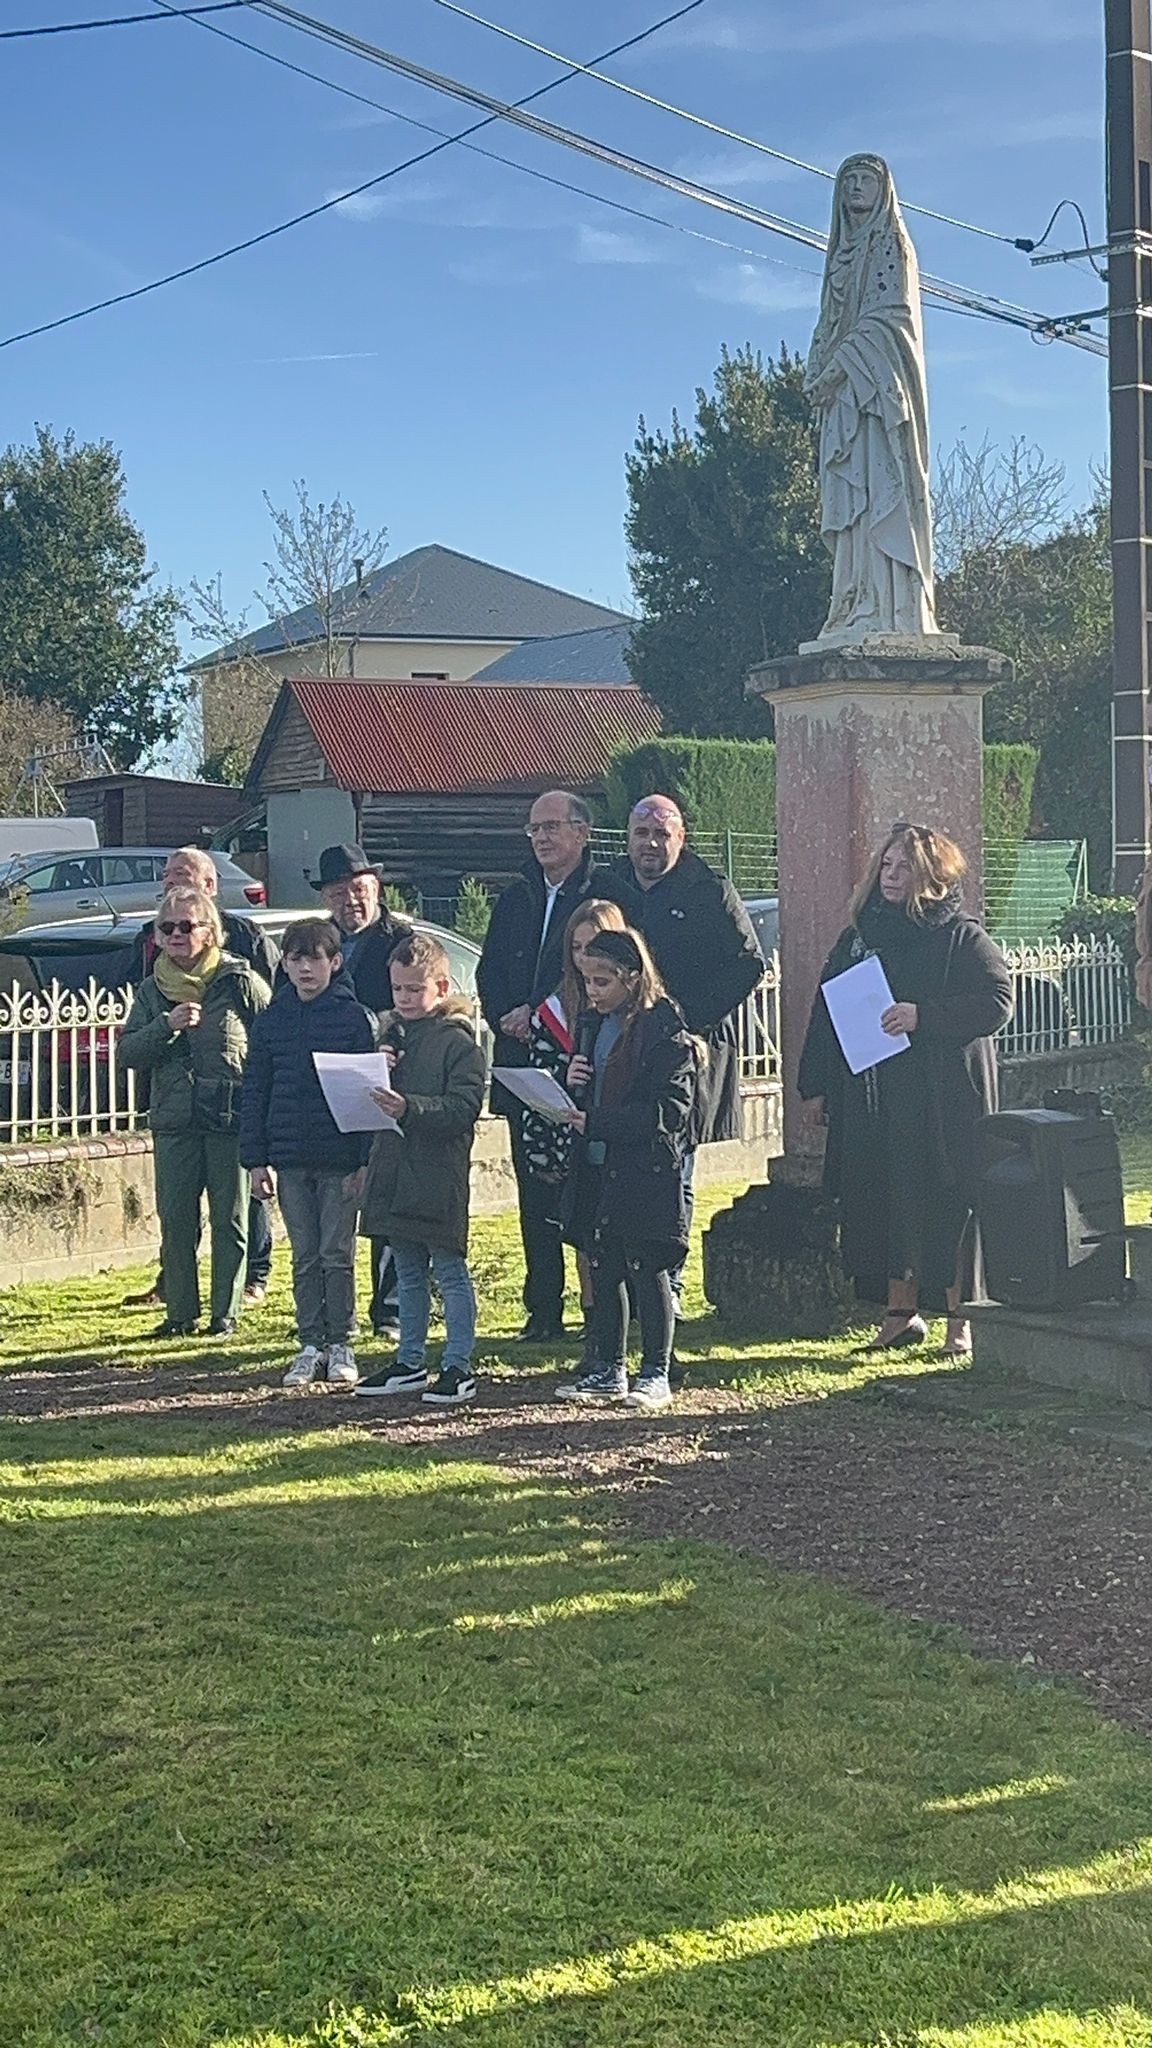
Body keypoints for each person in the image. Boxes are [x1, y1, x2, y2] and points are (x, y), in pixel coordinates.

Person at [798, 822, 1013, 1356]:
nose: (891, 878)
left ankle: (960, 1320)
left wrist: (924, 1016)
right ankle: (899, 1314)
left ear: (933, 879)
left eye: (905, 869)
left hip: (943, 1099)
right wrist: (817, 1086)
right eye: (886, 867)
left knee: (948, 1202)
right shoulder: (859, 937)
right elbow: (826, 1011)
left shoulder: (961, 936)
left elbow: (997, 1001)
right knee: (885, 1199)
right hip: (876, 1098)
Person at [477, 790, 627, 1341]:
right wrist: (503, 1016)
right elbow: (489, 969)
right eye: (533, 829)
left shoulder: (606, 895)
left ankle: (600, 1306)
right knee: (533, 1192)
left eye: (552, 827)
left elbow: (607, 971)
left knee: (584, 1192)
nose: (541, 838)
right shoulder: (515, 897)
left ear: (582, 833)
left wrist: (540, 1010)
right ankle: (543, 1307)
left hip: (579, 1061)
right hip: (523, 1065)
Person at [604, 795, 764, 1293]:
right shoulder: (610, 887)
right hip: (619, 1043)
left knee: (675, 1166)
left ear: (681, 838)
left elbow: (748, 964)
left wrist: (685, 1018)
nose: (650, 844)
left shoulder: (710, 891)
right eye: (641, 834)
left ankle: (666, 1283)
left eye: (661, 835)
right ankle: (621, 1281)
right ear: (628, 837)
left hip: (685, 1050)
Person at [123, 844, 280, 1310]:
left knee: (231, 1220)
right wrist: (164, 1027)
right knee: (175, 1220)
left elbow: (270, 1036)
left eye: (185, 927)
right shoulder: (152, 989)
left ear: (209, 932)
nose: (175, 935)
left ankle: (224, 1311)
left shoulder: (238, 979)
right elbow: (128, 1051)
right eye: (166, 928)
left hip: (229, 1112)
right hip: (174, 1117)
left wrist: (264, 1099)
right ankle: (179, 1311)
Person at [553, 927, 697, 1415]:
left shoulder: (664, 1031)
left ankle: (655, 1369)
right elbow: (588, 1093)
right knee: (604, 1263)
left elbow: (668, 1113)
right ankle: (607, 1366)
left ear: (632, 978)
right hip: (597, 1163)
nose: (592, 992)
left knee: (646, 1266)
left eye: (601, 981)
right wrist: (570, 1084)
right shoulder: (593, 1026)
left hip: (645, 1169)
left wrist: (598, 1120)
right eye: (587, 981)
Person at [805, 153, 938, 640]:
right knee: (849, 502)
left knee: (881, 488)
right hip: (843, 399)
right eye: (849, 180)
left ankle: (888, 604)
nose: (857, 187)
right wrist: (816, 365)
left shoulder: (891, 245)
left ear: (884, 190)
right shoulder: (840, 254)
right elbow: (830, 323)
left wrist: (839, 367)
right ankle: (854, 599)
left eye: (867, 179)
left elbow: (890, 319)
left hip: (877, 393)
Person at [239, 917, 375, 1390]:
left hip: (339, 1155)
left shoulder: (354, 1018)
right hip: (291, 1156)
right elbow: (255, 1090)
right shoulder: (273, 1020)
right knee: (303, 1255)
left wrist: (364, 1158)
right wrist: (255, 1160)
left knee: (336, 1252)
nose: (305, 968)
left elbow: (367, 1093)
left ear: (334, 962)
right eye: (295, 958)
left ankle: (342, 1341)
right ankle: (310, 1342)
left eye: (315, 958)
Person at [354, 932, 487, 1408]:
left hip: (436, 1172)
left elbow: (464, 1107)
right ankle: (409, 1360)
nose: (405, 999)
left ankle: (458, 1363)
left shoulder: (459, 1044)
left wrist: (408, 1106)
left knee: (449, 1272)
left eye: (415, 989)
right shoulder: (392, 1038)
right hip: (394, 1169)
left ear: (441, 986)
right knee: (406, 1272)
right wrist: (379, 1071)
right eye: (397, 990)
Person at [519, 898, 628, 1367]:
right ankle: (587, 1320)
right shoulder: (554, 1010)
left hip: (614, 1137)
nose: (585, 957)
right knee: (576, 1230)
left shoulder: (633, 1012)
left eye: (595, 946)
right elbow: (540, 1066)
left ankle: (615, 1327)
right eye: (577, 947)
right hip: (565, 1134)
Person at [313, 842, 413, 1336]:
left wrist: (390, 1040)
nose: (350, 900)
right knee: (335, 1200)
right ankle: (335, 1310)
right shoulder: (318, 942)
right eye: (338, 892)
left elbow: (417, 1003)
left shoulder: (400, 939)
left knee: (387, 1194)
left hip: (388, 1077)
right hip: (331, 1081)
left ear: (375, 888)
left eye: (358, 889)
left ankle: (391, 1306)